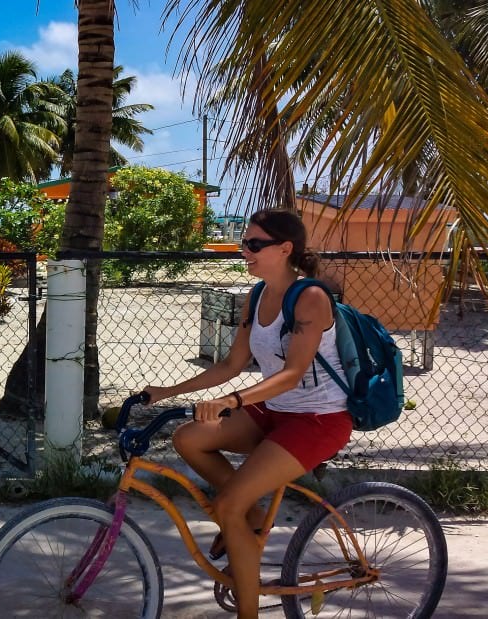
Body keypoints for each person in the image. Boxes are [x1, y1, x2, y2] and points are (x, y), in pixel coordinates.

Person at [141, 208, 353, 618]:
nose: (245, 252)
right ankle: (252, 515)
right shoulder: (256, 297)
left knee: (229, 505)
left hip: (318, 420)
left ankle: (248, 611)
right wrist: (167, 391)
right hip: (274, 411)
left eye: (255, 244)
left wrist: (231, 401)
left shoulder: (310, 297)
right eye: (244, 244)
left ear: (286, 248)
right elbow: (229, 366)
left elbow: (292, 374)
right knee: (189, 437)